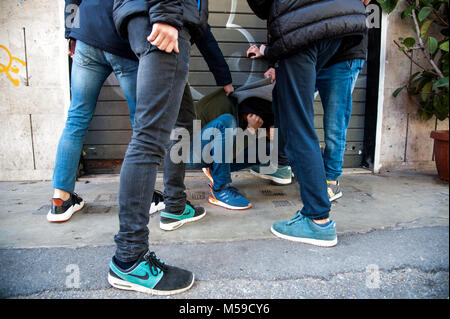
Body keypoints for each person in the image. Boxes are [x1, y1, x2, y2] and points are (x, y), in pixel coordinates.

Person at [108, 0, 209, 295]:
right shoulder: (165, 15)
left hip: (158, 16)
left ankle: (176, 206)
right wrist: (165, 14)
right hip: (163, 17)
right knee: (149, 139)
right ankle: (130, 258)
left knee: (183, 119)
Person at [246, 0, 367, 247]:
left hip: (304, 28)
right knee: (284, 100)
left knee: (298, 124)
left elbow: (261, 4)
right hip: (340, 24)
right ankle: (283, 166)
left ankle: (317, 219)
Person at [47, 0, 139, 223]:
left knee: (76, 118)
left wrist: (71, 33)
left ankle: (60, 200)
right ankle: (139, 196)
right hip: (123, 36)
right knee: (142, 122)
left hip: (87, 33)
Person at [159, 23, 236, 231]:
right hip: (165, 55)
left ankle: (152, 200)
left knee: (145, 128)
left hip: (133, 51)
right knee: (181, 125)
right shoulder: (189, 10)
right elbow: (206, 39)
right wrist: (225, 80)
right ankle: (175, 205)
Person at [183, 78, 291, 210]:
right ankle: (220, 189)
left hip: (211, 152)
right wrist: (251, 131)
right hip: (191, 152)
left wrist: (270, 137)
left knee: (268, 148)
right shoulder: (224, 106)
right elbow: (228, 153)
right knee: (227, 121)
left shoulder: (243, 110)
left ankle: (215, 171)